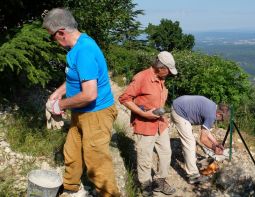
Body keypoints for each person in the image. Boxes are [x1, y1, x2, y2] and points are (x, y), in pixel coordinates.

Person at [43, 8, 120, 196]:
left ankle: (108, 193)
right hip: (81, 112)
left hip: (96, 114)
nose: (53, 41)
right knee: (72, 150)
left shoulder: (84, 51)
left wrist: (59, 106)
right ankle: (70, 186)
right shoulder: (76, 48)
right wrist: (58, 93)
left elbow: (89, 95)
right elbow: (75, 78)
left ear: (61, 33)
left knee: (96, 160)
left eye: (52, 37)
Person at [119, 51, 177, 196]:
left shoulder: (161, 78)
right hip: (144, 124)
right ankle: (145, 185)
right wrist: (143, 113)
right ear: (160, 67)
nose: (169, 73)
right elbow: (124, 98)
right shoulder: (141, 78)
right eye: (168, 70)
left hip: (160, 124)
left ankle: (160, 181)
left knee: (165, 153)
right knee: (145, 156)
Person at [170, 95, 228, 184]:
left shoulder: (213, 107)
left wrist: (216, 143)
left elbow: (206, 131)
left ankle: (191, 163)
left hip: (179, 105)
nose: (220, 121)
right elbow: (203, 139)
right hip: (179, 112)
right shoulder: (211, 115)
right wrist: (214, 149)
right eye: (221, 119)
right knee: (190, 143)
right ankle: (193, 176)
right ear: (219, 114)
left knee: (190, 140)